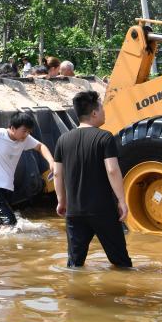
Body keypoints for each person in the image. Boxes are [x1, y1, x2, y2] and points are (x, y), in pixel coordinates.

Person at [53, 91, 131, 269]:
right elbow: (112, 170)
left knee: (75, 265)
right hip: (103, 211)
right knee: (122, 264)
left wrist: (61, 201)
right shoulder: (105, 137)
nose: (104, 112)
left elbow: (57, 174)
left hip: (75, 212)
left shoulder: (62, 140)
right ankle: (123, 295)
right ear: (94, 113)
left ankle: (75, 295)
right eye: (102, 108)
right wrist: (121, 200)